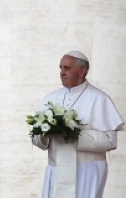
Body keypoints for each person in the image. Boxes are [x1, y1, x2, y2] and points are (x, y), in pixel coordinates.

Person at [32, 50, 124, 198]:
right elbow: (36, 138)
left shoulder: (99, 99)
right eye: (60, 68)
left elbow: (110, 141)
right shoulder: (49, 98)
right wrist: (45, 134)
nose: (62, 72)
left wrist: (73, 135)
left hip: (87, 171)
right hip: (56, 169)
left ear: (82, 71)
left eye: (67, 68)